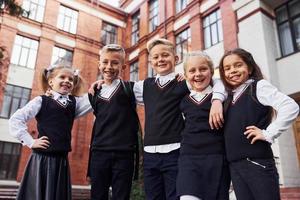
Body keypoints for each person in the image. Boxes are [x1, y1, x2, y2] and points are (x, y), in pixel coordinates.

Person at [132, 38, 225, 200]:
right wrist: (100, 83)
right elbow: (120, 91)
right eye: (155, 57)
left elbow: (216, 81)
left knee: (175, 196)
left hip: (175, 151)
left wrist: (217, 99)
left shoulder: (185, 83)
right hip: (150, 154)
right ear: (151, 62)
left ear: (175, 59)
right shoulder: (144, 86)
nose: (160, 59)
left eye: (165, 55)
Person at [218, 48, 299, 200]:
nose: (232, 71)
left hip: (257, 164)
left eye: (238, 65)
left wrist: (268, 133)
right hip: (235, 166)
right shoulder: (228, 97)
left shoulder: (258, 86)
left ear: (249, 68)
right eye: (227, 68)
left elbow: (291, 106)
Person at [9, 64, 91, 200]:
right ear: (51, 81)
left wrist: (101, 85)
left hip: (61, 162)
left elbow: (92, 99)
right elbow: (15, 120)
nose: (67, 81)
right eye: (62, 77)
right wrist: (30, 141)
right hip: (41, 161)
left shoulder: (74, 103)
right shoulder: (41, 101)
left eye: (70, 79)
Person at [87, 44, 140, 200]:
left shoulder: (132, 89)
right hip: (99, 153)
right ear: (99, 64)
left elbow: (159, 90)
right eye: (105, 62)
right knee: (97, 196)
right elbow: (69, 106)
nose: (109, 67)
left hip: (124, 154)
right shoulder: (93, 93)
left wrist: (180, 77)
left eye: (115, 63)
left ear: (123, 66)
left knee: (121, 197)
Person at [176, 51, 230, 200]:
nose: (198, 74)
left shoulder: (222, 96)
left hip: (217, 158)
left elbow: (222, 83)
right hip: (189, 158)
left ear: (212, 72)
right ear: (186, 76)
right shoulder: (183, 100)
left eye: (203, 69)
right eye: (192, 71)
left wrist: (217, 100)